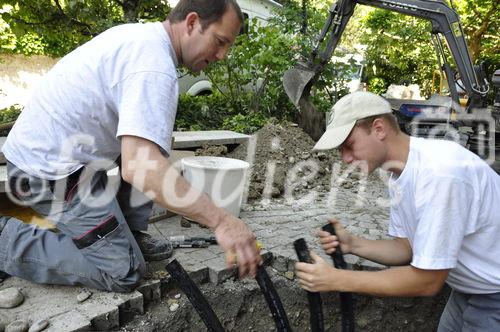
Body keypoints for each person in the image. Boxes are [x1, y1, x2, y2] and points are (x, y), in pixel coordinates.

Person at [0, 0, 261, 293]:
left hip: (69, 159)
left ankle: (129, 235)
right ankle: (5, 239)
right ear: (191, 23)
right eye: (220, 41)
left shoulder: (144, 39)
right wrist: (222, 221)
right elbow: (141, 171)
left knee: (153, 145)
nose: (222, 55)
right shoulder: (153, 67)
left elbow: (145, 158)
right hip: (45, 173)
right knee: (123, 271)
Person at [295, 91, 500, 330]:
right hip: (471, 288)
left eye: (349, 146)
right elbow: (407, 248)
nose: (345, 159)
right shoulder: (400, 173)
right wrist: (353, 244)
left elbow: (428, 281)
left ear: (379, 129)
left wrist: (337, 279)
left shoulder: (439, 174)